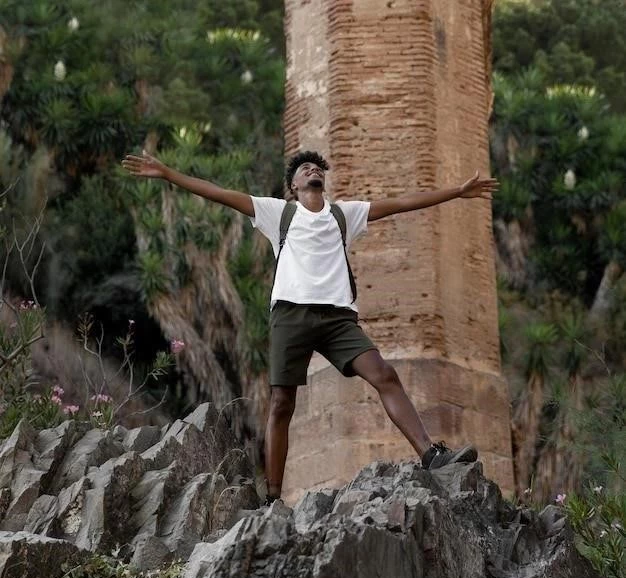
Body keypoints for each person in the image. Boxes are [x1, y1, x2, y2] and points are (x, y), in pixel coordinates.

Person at [122, 149, 499, 504]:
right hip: (291, 316)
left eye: (317, 168)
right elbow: (219, 193)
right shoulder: (277, 214)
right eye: (305, 169)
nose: (313, 170)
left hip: (338, 319)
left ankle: (430, 454)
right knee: (282, 403)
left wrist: (457, 192)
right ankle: (272, 497)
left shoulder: (343, 215)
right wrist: (168, 173)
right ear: (294, 186)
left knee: (384, 374)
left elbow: (402, 204)